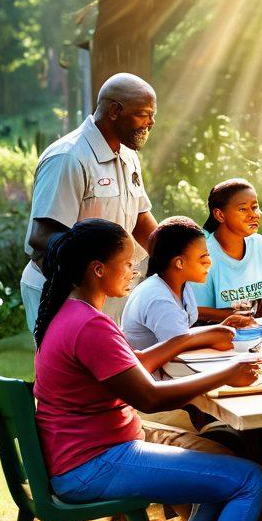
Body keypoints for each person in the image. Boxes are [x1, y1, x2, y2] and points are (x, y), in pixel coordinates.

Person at [33, 219, 262, 521]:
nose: (134, 271)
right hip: (94, 464)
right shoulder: (90, 324)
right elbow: (149, 396)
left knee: (221, 464)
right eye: (127, 263)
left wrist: (195, 338)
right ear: (97, 269)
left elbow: (132, 370)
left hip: (93, 453)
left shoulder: (74, 312)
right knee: (248, 479)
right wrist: (226, 372)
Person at [21, 73, 159, 332]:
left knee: (109, 367)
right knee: (70, 370)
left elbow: (140, 218)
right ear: (115, 110)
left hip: (106, 287)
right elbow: (43, 236)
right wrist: (95, 273)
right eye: (143, 113)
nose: (151, 122)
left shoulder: (127, 155)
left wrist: (173, 252)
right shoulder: (68, 157)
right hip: (64, 291)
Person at [121, 215, 252, 454]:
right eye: (203, 258)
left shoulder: (182, 288)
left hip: (174, 383)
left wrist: (221, 325)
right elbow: (180, 345)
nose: (209, 263)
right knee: (241, 434)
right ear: (179, 263)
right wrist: (213, 333)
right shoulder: (157, 297)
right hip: (158, 402)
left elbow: (184, 335)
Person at [193, 179, 262, 323]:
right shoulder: (202, 255)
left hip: (257, 333)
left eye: (254, 207)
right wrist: (238, 316)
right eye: (243, 209)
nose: (253, 215)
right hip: (216, 337)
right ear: (220, 215)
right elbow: (196, 311)